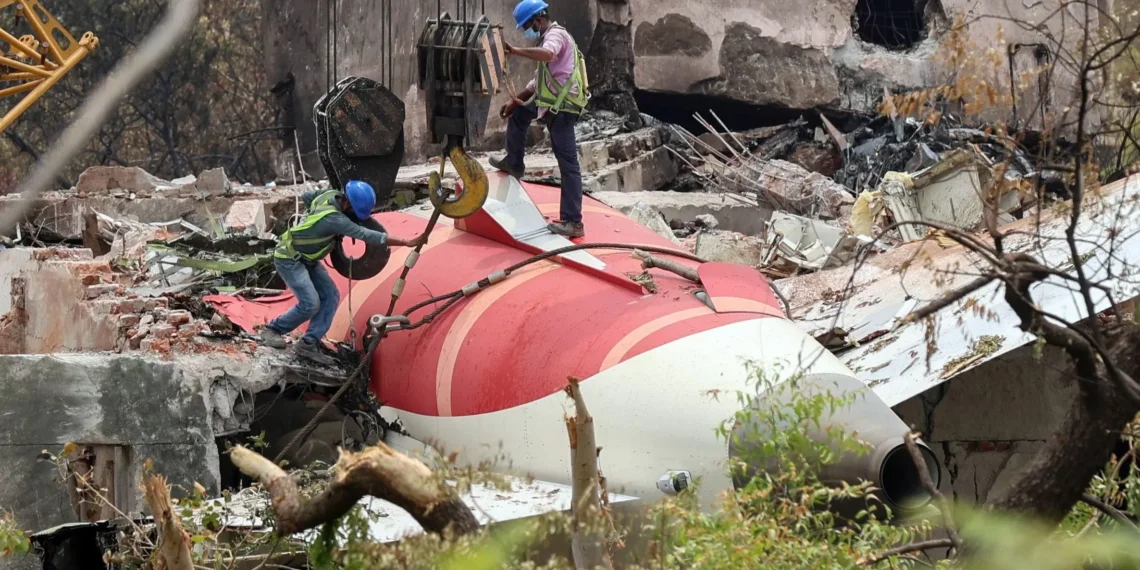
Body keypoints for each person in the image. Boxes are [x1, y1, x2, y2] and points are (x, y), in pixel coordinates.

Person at [258, 180, 425, 364]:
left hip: (307, 259)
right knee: (310, 304)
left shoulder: (328, 195)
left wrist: (312, 221)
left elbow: (307, 197)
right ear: (348, 205)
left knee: (331, 296)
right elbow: (366, 234)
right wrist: (405, 242)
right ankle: (272, 330)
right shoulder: (335, 220)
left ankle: (308, 343)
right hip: (289, 259)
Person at [490, 0, 589, 238]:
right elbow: (539, 81)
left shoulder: (555, 36)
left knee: (568, 165)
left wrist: (515, 51)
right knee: (518, 114)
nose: (527, 31)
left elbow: (548, 54)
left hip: (562, 108)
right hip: (550, 101)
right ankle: (514, 163)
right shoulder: (546, 38)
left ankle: (573, 221)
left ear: (538, 20)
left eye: (527, 27)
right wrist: (516, 100)